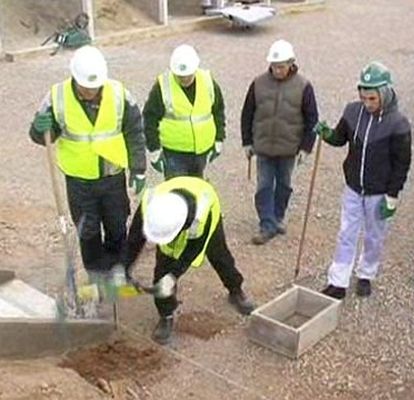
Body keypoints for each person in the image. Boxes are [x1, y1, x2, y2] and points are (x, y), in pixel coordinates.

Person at [29, 45, 146, 275]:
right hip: (79, 181)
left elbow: (135, 131)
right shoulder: (56, 96)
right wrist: (39, 128)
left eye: (95, 87)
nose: (90, 91)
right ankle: (96, 276)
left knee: (117, 226)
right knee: (88, 231)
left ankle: (117, 273)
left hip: (112, 177)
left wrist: (138, 168)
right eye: (85, 87)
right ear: (74, 77)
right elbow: (41, 135)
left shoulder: (119, 93)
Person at [315, 61, 412, 299]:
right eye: (364, 97)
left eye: (372, 99)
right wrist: (327, 134)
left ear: (385, 94)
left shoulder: (399, 124)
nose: (367, 103)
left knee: (373, 235)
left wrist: (392, 196)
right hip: (353, 187)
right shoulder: (351, 111)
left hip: (379, 191)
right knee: (346, 232)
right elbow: (340, 138)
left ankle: (366, 273)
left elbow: (402, 164)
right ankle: (338, 280)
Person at [120, 176, 255, 345]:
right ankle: (166, 315)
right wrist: (124, 268)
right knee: (162, 272)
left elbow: (191, 252)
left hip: (207, 210)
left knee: (220, 256)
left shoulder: (202, 216)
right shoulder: (150, 204)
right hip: (176, 202)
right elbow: (134, 240)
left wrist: (172, 277)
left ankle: (235, 289)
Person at [241, 39, 319, 245]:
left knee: (284, 185)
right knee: (264, 186)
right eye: (274, 66)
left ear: (291, 63)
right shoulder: (258, 84)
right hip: (263, 148)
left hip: (288, 149)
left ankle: (278, 217)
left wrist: (306, 147)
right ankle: (267, 225)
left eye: (281, 66)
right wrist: (247, 142)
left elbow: (312, 119)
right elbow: (247, 114)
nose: (277, 70)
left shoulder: (304, 87)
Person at [143, 44, 226, 179]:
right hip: (174, 154)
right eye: (180, 76)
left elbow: (218, 111)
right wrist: (154, 150)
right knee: (178, 194)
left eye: (187, 75)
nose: (184, 79)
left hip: (201, 151)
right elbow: (149, 118)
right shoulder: (163, 85)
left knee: (195, 193)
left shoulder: (208, 82)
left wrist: (219, 139)